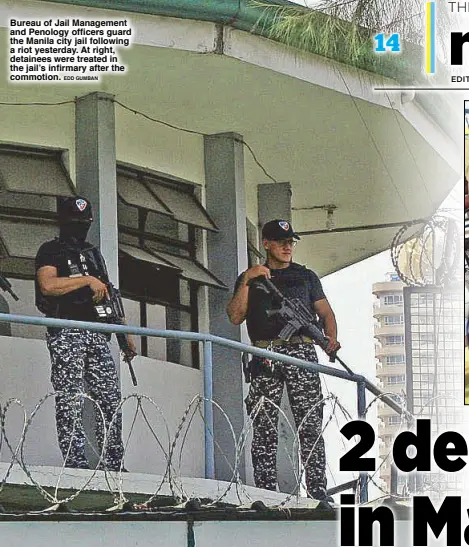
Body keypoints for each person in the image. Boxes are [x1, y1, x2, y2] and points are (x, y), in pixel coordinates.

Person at [227, 219, 340, 500]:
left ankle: (317, 491)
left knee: (310, 424)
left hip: (301, 350)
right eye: (281, 242)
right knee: (264, 423)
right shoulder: (251, 278)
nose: (288, 247)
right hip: (266, 353)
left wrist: (330, 339)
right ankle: (265, 492)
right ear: (266, 244)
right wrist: (248, 279)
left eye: (291, 242)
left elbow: (326, 313)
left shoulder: (305, 276)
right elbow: (234, 316)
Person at [35, 196, 136, 471]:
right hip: (67, 329)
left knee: (110, 399)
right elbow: (48, 285)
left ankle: (114, 464)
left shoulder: (93, 253)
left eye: (84, 223)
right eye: (75, 223)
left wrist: (124, 334)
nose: (80, 229)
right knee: (70, 398)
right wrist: (86, 281)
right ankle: (76, 463)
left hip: (97, 331)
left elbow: (110, 295)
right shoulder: (50, 250)